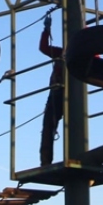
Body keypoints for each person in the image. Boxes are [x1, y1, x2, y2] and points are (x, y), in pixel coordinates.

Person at [37, 14, 65, 167]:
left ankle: (46, 161)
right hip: (57, 91)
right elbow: (44, 47)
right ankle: (45, 161)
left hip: (66, 92)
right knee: (48, 125)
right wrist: (46, 30)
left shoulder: (78, 52)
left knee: (50, 125)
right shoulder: (60, 52)